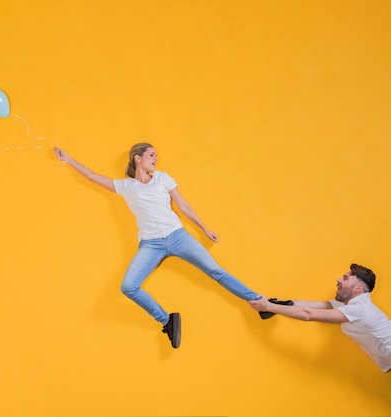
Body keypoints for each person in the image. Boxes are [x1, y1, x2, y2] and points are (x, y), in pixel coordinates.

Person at [54, 143, 271, 349]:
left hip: (177, 236)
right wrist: (68, 159)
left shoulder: (163, 178)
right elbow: (92, 176)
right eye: (151, 155)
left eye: (156, 156)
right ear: (137, 158)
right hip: (150, 245)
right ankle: (166, 320)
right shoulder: (126, 186)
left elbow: (183, 205)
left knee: (216, 271)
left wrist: (204, 228)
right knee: (128, 287)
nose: (156, 159)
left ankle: (260, 302)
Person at [249, 263, 391, 373]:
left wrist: (268, 307)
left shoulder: (360, 309)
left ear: (358, 289)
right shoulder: (352, 304)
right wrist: (278, 303)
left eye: (346, 278)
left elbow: (308, 314)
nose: (338, 279)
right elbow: (313, 306)